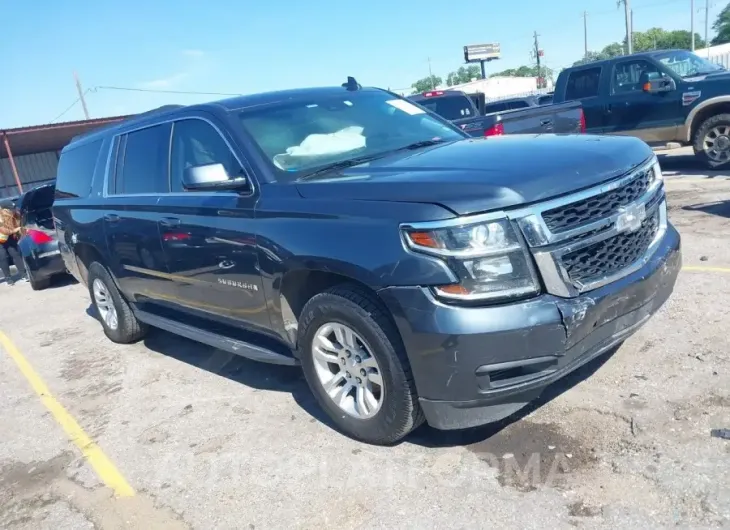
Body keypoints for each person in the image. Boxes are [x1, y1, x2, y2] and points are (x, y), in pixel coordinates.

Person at [0, 204, 27, 285]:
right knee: (3, 258)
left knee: (16, 254)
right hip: (1, 239)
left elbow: (21, 224)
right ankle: (8, 278)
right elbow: (4, 231)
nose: (13, 211)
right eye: (11, 209)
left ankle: (24, 274)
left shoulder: (15, 215)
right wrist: (16, 230)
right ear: (5, 210)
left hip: (10, 238)